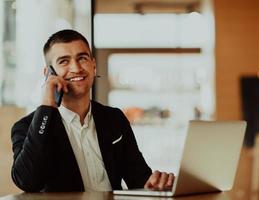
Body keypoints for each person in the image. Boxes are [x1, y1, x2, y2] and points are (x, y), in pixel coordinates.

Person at [11, 29, 174, 192]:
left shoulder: (114, 118)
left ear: (93, 66)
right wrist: (46, 105)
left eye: (82, 58)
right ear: (48, 73)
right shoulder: (25, 127)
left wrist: (155, 183)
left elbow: (138, 179)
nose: (76, 68)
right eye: (64, 61)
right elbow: (27, 182)